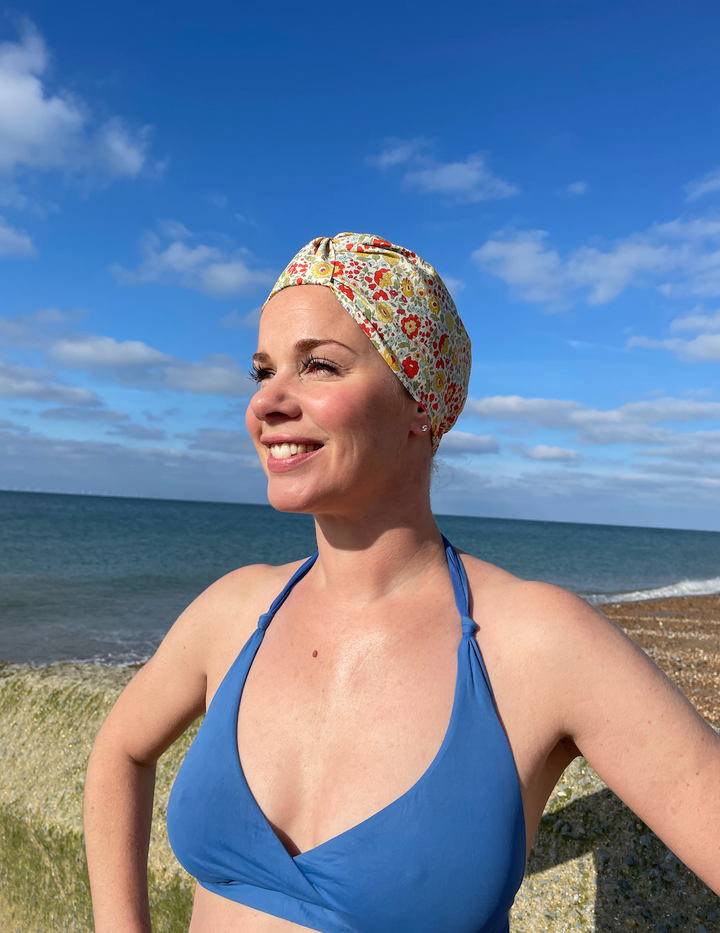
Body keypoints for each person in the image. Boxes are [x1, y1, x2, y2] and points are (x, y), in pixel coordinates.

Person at [84, 233, 720, 933]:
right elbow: (120, 751)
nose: (267, 401)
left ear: (420, 400)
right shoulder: (233, 610)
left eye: (319, 365)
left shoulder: (537, 643)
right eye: (262, 371)